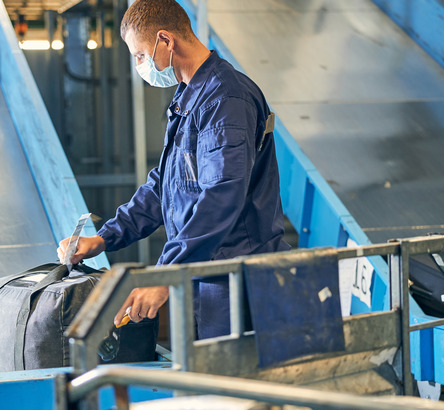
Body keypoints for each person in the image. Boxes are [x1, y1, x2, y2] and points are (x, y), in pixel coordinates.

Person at [58, 0, 290, 339]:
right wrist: (105, 237)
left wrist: (167, 273)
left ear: (166, 41)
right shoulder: (191, 96)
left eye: (140, 55)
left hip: (241, 281)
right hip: (210, 275)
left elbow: (222, 194)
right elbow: (165, 185)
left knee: (233, 388)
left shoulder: (226, 101)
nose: (139, 64)